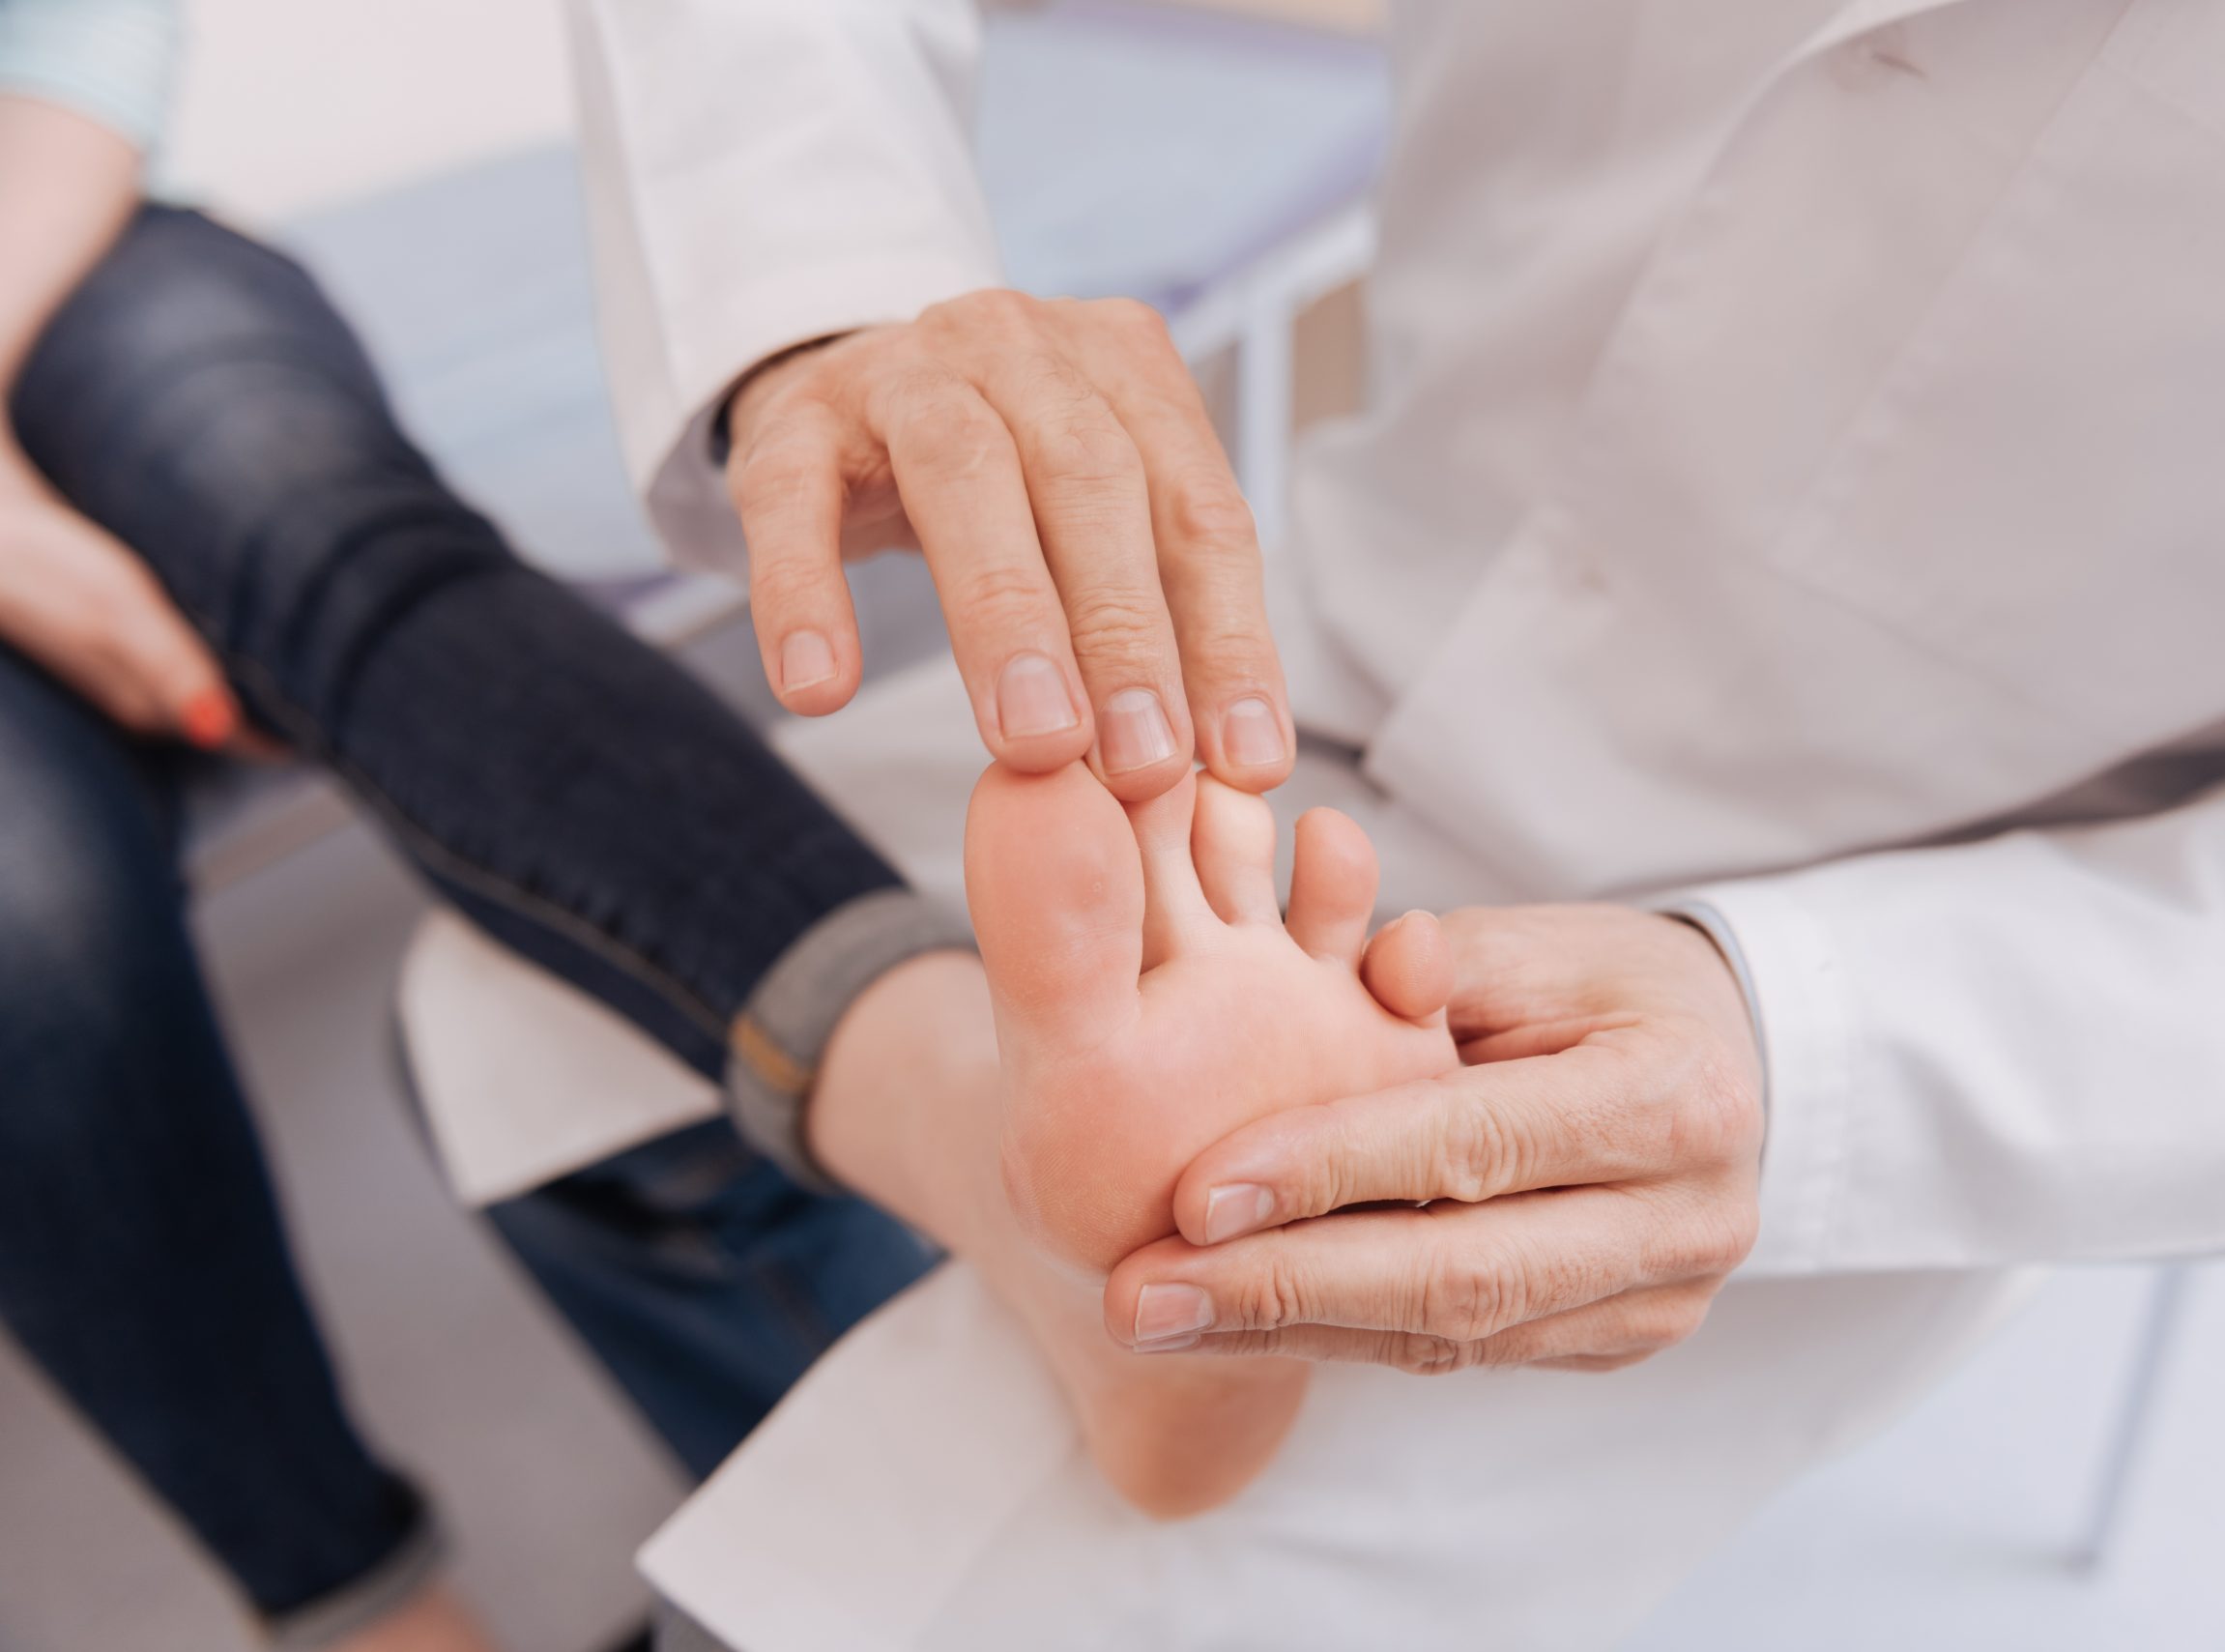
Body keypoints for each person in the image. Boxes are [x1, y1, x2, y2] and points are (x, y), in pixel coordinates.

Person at [556, 0, 2225, 1642]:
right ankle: (997, 1229)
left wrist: (1794, 1048)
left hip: (1887, 949)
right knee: (517, 1025)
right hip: (1312, 648)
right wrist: (823, 289)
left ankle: (1027, 1256)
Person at [0, 2, 1333, 1645]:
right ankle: (363, 1608)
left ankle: (981, 1143)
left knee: (319, 529)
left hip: (63, 231)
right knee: (15, 887)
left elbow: (78, 44)